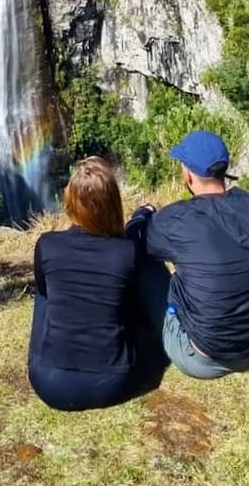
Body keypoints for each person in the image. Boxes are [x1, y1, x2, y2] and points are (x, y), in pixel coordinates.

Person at [129, 129, 249, 380]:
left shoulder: (178, 220)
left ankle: (129, 333)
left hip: (202, 358)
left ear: (187, 173)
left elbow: (134, 242)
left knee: (146, 266)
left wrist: (142, 215)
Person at [28, 156, 163, 411]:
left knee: (44, 294)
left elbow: (45, 293)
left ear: (69, 202)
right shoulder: (126, 253)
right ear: (113, 204)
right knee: (123, 296)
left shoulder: (47, 244)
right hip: (112, 384)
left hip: (48, 383)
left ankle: (52, 351)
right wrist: (142, 217)